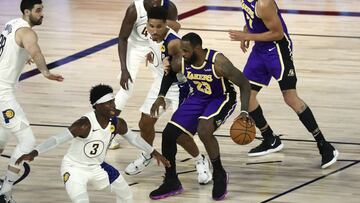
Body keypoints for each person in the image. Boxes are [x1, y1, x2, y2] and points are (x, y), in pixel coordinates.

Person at [228, 0, 338, 168]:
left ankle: (324, 145)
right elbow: (253, 18)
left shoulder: (264, 3)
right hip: (260, 50)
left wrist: (247, 36)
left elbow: (277, 33)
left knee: (290, 98)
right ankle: (270, 139)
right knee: (247, 94)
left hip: (278, 51)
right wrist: (246, 30)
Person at [15, 84, 170, 203]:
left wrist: (154, 152)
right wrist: (34, 153)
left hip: (98, 166)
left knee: (126, 194)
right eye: (109, 103)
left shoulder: (117, 123)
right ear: (97, 106)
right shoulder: (84, 124)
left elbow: (134, 138)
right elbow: (57, 139)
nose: (114, 106)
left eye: (113, 101)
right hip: (74, 168)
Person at [149, 32, 252, 201]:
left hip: (221, 97)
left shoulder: (218, 62)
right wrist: (161, 95)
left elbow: (244, 84)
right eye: (181, 50)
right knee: (168, 134)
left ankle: (219, 173)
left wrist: (244, 111)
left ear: (197, 48)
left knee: (204, 129)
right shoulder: (183, 60)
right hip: (198, 97)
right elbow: (171, 73)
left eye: (186, 50)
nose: (182, 53)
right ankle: (171, 180)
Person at [123, 6, 212, 185]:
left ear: (165, 25)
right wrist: (153, 53)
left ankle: (200, 159)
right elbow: (173, 27)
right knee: (145, 123)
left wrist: (170, 61)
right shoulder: (149, 31)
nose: (154, 30)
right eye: (151, 26)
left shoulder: (174, 44)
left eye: (159, 27)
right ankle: (148, 154)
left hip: (180, 86)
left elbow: (178, 68)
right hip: (160, 81)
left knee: (179, 133)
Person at [0, 0, 64, 202]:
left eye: (42, 9)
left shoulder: (11, 24)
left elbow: (9, 47)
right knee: (27, 141)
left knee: (2, 137)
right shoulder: (28, 33)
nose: (42, 13)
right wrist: (45, 72)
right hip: (2, 93)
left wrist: (20, 56)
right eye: (38, 10)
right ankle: (4, 192)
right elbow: (36, 51)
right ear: (27, 12)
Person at [109, 0, 180, 149]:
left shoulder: (170, 7)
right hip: (135, 47)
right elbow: (122, 38)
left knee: (163, 79)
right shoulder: (135, 9)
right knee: (126, 88)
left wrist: (157, 49)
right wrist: (123, 69)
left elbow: (173, 32)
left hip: (156, 44)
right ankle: (109, 132)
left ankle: (176, 120)